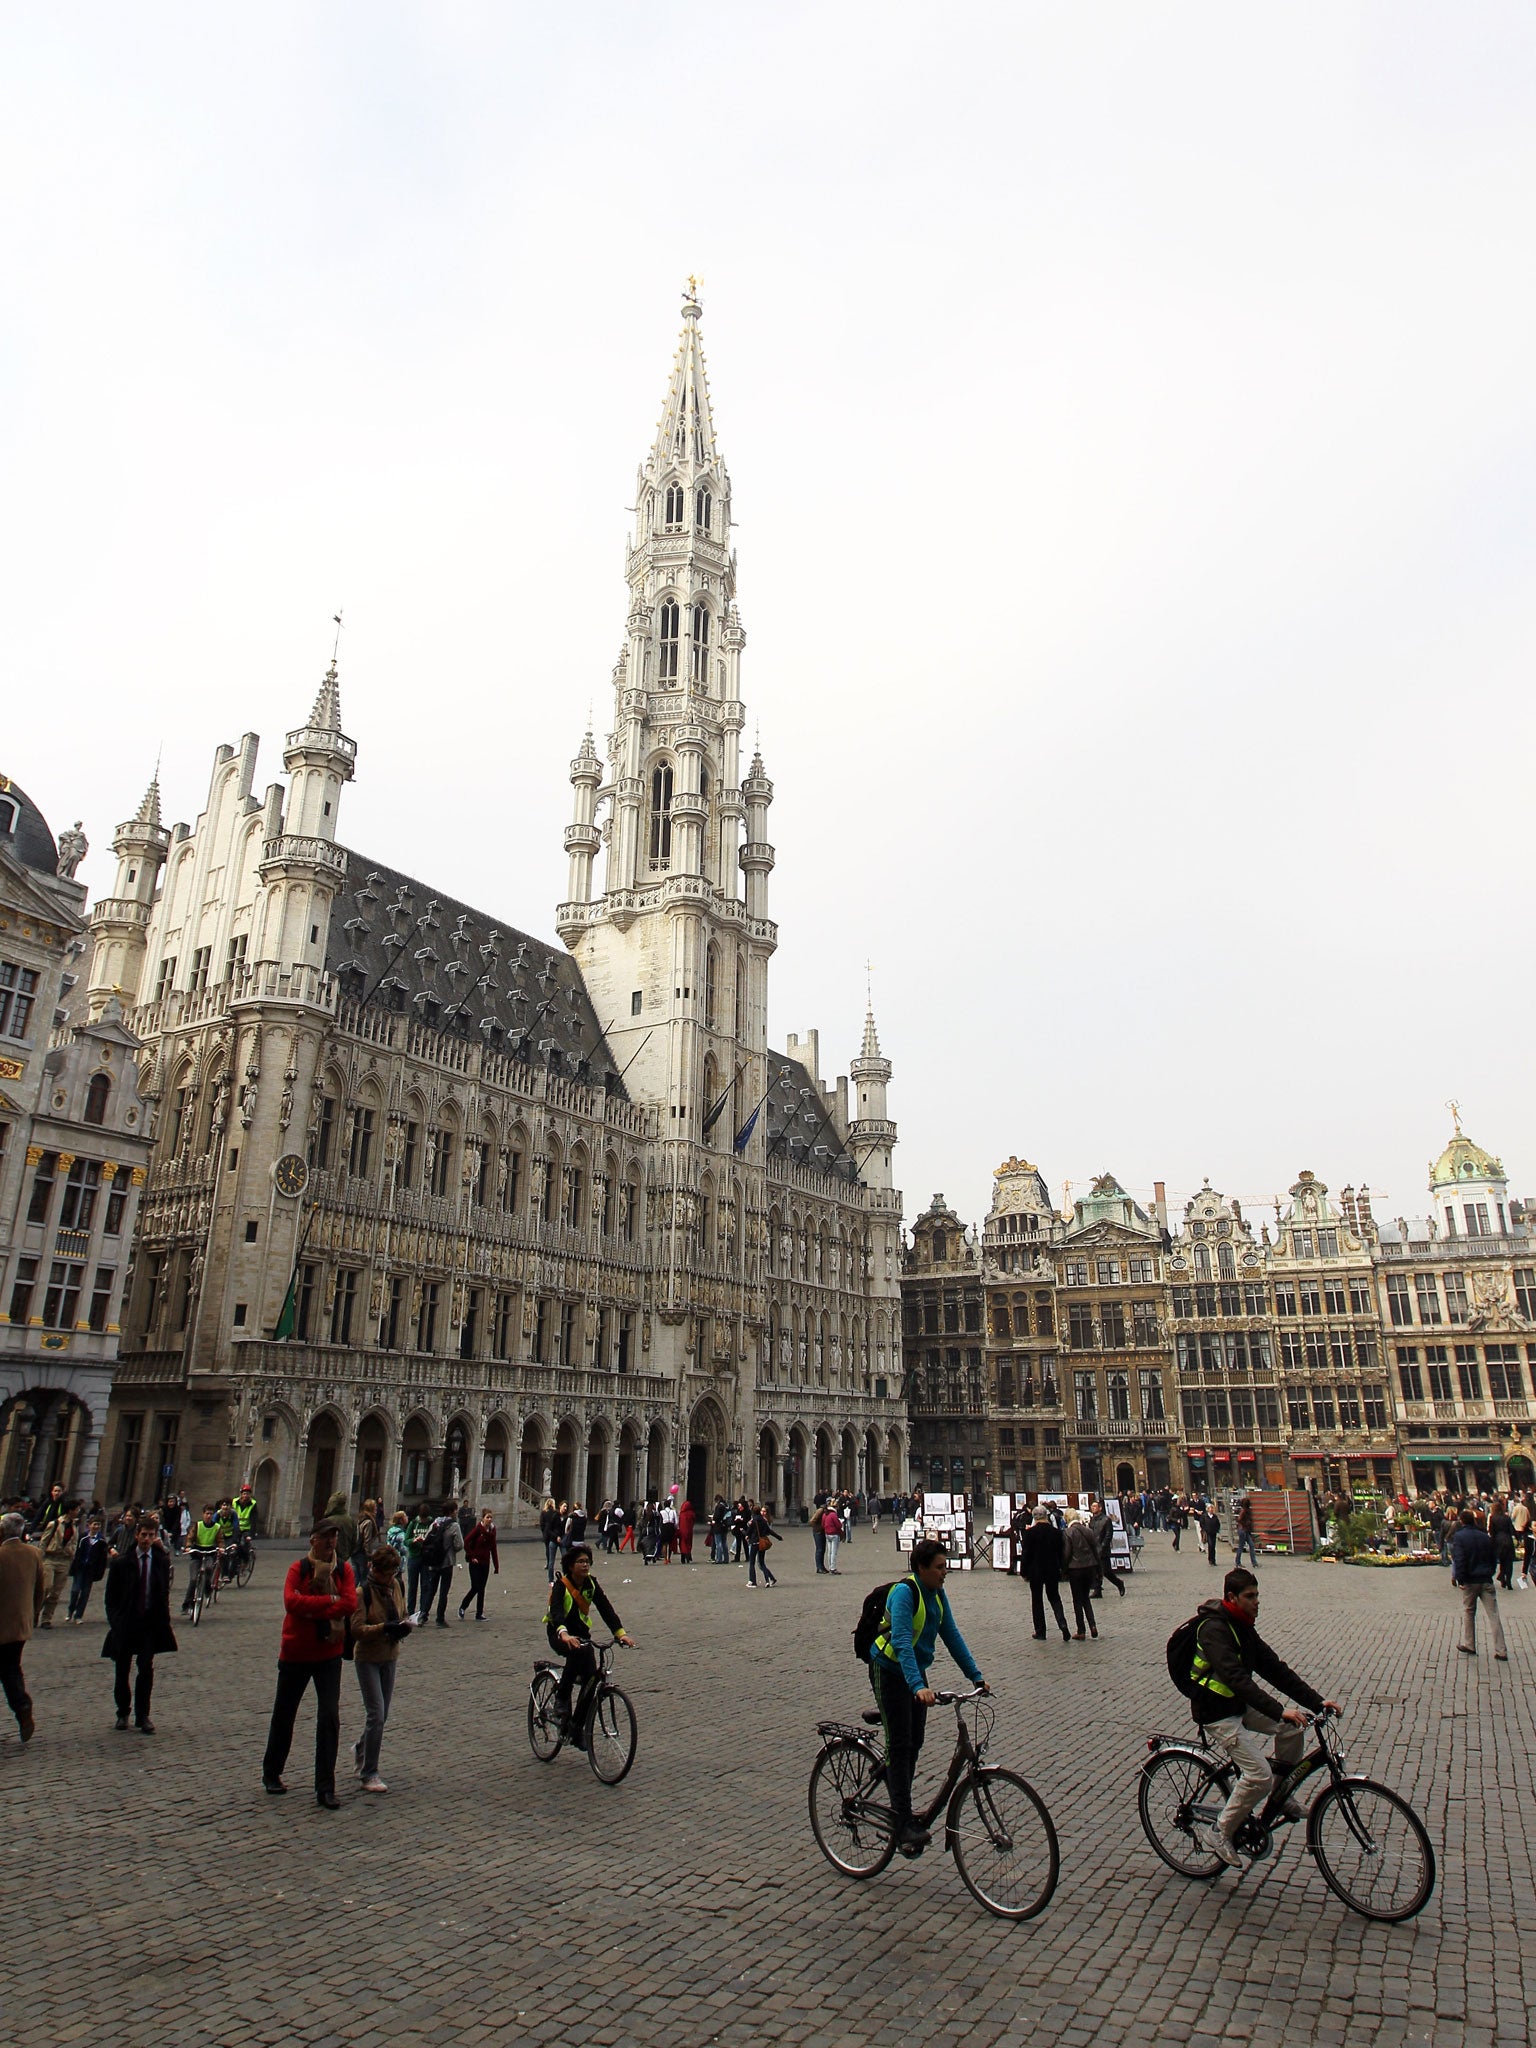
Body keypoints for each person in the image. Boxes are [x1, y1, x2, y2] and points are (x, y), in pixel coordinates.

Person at [1188, 1567, 1338, 1869]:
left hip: (1237, 1705)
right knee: (1258, 1776)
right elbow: (1237, 1679)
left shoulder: (1242, 1626)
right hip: (1216, 1712)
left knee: (1294, 1728)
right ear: (1232, 1597)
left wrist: (1317, 1702)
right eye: (1250, 1596)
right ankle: (1219, 1832)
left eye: (1258, 1595)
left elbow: (1275, 1669)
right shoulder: (1214, 1629)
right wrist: (1278, 1709)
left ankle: (1281, 1795)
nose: (1257, 1602)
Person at [866, 1537, 988, 1852]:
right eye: (939, 1567)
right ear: (921, 1568)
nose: (945, 1572)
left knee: (915, 1741)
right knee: (901, 1745)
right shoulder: (905, 1594)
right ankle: (902, 1821)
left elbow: (951, 1633)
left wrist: (975, 1675)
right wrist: (917, 1686)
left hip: (913, 1672)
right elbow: (903, 1641)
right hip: (888, 1668)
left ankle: (890, 1772)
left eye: (945, 1566)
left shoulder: (936, 1594)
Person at [261, 1515, 358, 1805]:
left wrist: (312, 1607)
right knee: (284, 1715)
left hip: (329, 1655)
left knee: (329, 1718)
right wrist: (329, 1603)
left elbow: (350, 1603)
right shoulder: (297, 1569)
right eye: (326, 1536)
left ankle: (325, 1787)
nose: (331, 1542)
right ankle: (272, 1772)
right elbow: (291, 1603)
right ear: (313, 1539)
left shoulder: (344, 1570)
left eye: (334, 1537)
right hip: (296, 1653)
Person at [545, 1545, 634, 1738]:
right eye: (580, 1562)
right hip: (559, 1633)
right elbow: (557, 1612)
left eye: (587, 1562)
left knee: (591, 1681)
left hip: (581, 1635)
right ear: (570, 1565)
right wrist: (564, 1634)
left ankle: (576, 1729)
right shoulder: (562, 1585)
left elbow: (606, 1609)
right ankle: (561, 1697)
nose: (585, 1565)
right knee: (577, 1652)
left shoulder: (591, 1584)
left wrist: (620, 1633)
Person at [102, 1512, 177, 1733]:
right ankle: (123, 1712)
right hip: (126, 1623)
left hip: (149, 1624)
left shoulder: (161, 1562)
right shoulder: (121, 1563)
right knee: (122, 1669)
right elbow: (110, 1598)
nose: (146, 1539)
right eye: (143, 1535)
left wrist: (163, 1621)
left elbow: (163, 1593)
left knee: (146, 1669)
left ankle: (143, 1715)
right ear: (136, 1535)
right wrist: (116, 1622)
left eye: (151, 1535)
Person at [350, 1545, 412, 1792]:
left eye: (394, 1573)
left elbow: (403, 1612)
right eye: (387, 1573)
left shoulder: (396, 1586)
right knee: (376, 1713)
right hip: (367, 1657)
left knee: (382, 1714)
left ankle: (361, 1749)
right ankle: (369, 1772)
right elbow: (356, 1630)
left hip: (390, 1654)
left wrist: (405, 1625)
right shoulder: (362, 1593)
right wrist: (383, 1628)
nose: (391, 1578)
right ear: (374, 1569)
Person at [0, 1511, 43, 1742]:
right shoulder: (34, 1553)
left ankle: (23, 1707)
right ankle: (22, 1707)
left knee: (8, 1669)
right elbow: (40, 1590)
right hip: (21, 1625)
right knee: (11, 1668)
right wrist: (32, 1615)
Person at [1451, 1508, 1508, 1660]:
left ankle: (1470, 1644)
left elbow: (1460, 1559)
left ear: (1462, 1521)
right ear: (1474, 1520)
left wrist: (1460, 1579)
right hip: (1486, 1579)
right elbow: (1493, 1557)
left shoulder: (1459, 1537)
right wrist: (1490, 1572)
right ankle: (1501, 1650)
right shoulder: (1484, 1537)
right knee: (1493, 1614)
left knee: (1469, 1612)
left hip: (1470, 1581)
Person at [1020, 1505, 1071, 1643]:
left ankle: (1040, 1631)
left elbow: (1025, 1554)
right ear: (1046, 1516)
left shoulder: (1030, 1533)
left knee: (1037, 1601)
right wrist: (1062, 1568)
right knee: (1054, 1598)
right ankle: (1062, 1623)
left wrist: (1023, 1571)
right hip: (1052, 1570)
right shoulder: (1056, 1532)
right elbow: (1061, 1553)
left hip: (1035, 1571)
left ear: (1034, 1517)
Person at [1062, 1511, 1101, 1639]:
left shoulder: (1068, 1532)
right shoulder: (1088, 1531)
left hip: (1076, 1569)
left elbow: (1067, 1553)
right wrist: (1099, 1570)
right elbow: (1095, 1551)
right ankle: (1093, 1625)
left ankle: (1081, 1630)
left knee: (1077, 1600)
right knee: (1086, 1598)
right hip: (1090, 1567)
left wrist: (1063, 1568)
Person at [180, 1502, 223, 1613]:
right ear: (203, 1514)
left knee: (209, 1568)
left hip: (209, 1552)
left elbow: (220, 1540)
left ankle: (207, 1587)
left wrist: (221, 1548)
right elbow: (190, 1537)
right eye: (207, 1513)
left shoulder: (217, 1527)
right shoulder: (197, 1525)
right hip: (197, 1553)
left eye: (211, 1514)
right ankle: (186, 1604)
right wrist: (188, 1546)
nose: (209, 1516)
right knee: (193, 1579)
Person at [37, 1505, 75, 1627]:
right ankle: (34, 1613)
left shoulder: (74, 1526)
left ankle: (46, 1619)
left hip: (64, 1560)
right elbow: (43, 1541)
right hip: (50, 1558)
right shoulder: (54, 1524)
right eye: (77, 1509)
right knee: (46, 1588)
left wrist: (71, 1554)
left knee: (55, 1593)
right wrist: (39, 1558)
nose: (78, 1512)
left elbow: (74, 1543)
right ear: (70, 1510)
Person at [67, 1513, 109, 1623]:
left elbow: (102, 1559)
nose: (96, 1527)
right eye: (94, 1524)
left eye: (98, 1525)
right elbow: (77, 1552)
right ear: (89, 1525)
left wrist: (99, 1572)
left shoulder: (101, 1541)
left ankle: (78, 1615)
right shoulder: (83, 1538)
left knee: (85, 1593)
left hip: (91, 1570)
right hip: (80, 1568)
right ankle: (71, 1610)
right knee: (75, 1590)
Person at [458, 1508, 499, 1620]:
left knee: (482, 1589)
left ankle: (479, 1613)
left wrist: (496, 1566)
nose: (489, 1519)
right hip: (475, 1562)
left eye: (491, 1517)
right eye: (487, 1517)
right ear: (483, 1518)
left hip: (485, 1562)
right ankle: (463, 1606)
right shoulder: (478, 1529)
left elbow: (493, 1548)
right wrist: (472, 1556)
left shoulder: (492, 1532)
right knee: (475, 1587)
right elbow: (466, 1542)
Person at [1089, 1498, 1126, 1600]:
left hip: (1102, 1549)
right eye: (1092, 1506)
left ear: (1100, 1508)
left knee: (1106, 1571)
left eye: (1095, 1506)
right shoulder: (1092, 1520)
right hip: (1093, 1548)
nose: (1092, 1508)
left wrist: (1103, 1546)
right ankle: (1097, 1590)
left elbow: (1109, 1535)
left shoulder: (1106, 1519)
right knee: (1095, 1571)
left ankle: (1119, 1583)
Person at [405, 1506, 434, 1620]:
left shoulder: (431, 1524)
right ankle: (411, 1612)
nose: (423, 1521)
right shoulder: (413, 1523)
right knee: (412, 1585)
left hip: (426, 1557)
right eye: (422, 1519)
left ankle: (423, 1612)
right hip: (414, 1556)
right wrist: (413, 1540)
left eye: (425, 1519)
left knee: (425, 1585)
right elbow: (406, 1540)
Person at [1488, 1497, 1517, 1593]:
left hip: (1498, 1541)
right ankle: (1508, 1581)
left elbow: (1491, 1531)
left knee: (1502, 1561)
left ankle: (1502, 1578)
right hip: (1507, 1540)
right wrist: (1517, 1537)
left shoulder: (1493, 1518)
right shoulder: (1506, 1517)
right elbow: (1511, 1529)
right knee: (1509, 1562)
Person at [747, 1501, 777, 1587]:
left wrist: (746, 1533)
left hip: (755, 1542)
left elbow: (749, 1531)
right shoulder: (763, 1521)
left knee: (754, 1563)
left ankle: (752, 1581)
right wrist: (778, 1537)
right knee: (761, 1563)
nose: (763, 1513)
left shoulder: (755, 1520)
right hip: (762, 1542)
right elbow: (769, 1531)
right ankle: (769, 1579)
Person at [1234, 1495, 1260, 1571]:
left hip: (1245, 1530)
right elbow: (1239, 1519)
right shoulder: (1244, 1511)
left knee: (1251, 1545)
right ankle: (1238, 1562)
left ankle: (1254, 1562)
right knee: (1242, 1546)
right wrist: (1245, 1525)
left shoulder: (1245, 1510)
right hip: (1243, 1530)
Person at [539, 1498, 562, 1581]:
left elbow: (541, 1523)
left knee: (547, 1548)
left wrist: (544, 1531)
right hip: (553, 1534)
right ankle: (551, 1563)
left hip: (546, 1533)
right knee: (552, 1548)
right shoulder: (556, 1512)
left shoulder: (544, 1512)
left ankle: (549, 1563)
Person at [820, 1500, 845, 1574]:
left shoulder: (825, 1514)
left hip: (827, 1534)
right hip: (834, 1534)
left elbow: (823, 1525)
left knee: (829, 1551)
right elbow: (838, 1525)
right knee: (834, 1552)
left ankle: (830, 1566)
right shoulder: (833, 1515)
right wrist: (840, 1522)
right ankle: (833, 1568)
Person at [677, 1495, 696, 1564]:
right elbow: (693, 1521)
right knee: (688, 1544)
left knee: (682, 1544)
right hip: (689, 1531)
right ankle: (688, 1557)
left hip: (682, 1531)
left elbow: (678, 1522)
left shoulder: (682, 1514)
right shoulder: (691, 1513)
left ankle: (682, 1558)